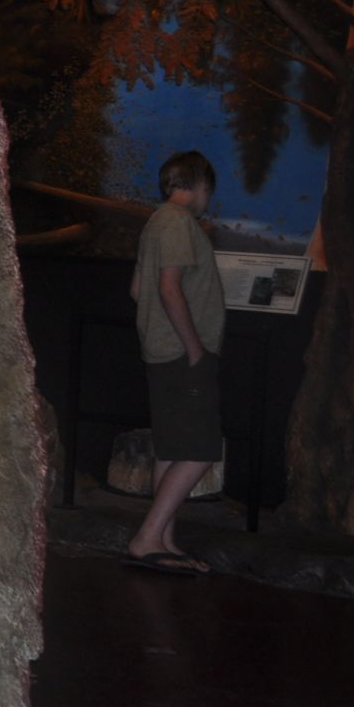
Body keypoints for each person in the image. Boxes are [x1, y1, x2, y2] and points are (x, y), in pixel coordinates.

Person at [126, 148, 226, 576]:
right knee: (201, 450)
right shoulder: (178, 222)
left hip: (162, 352)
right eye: (208, 192)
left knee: (171, 449)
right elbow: (169, 289)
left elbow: (138, 289)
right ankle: (147, 536)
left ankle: (162, 541)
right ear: (201, 185)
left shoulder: (156, 223)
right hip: (181, 353)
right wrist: (194, 348)